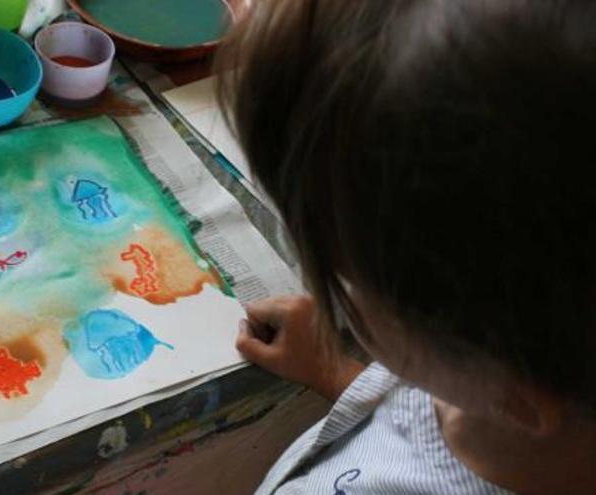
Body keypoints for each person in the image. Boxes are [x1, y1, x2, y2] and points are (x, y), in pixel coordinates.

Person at [215, 0, 596, 493]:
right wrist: (336, 373)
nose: (340, 300)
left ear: (520, 398)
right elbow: (422, 406)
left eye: (349, 283)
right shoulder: (514, 371)